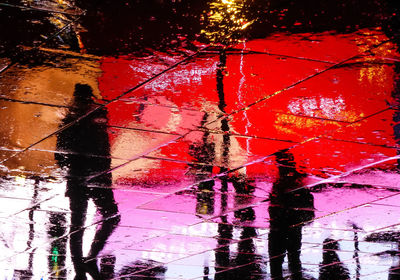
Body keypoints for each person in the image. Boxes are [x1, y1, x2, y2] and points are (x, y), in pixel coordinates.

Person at [55, 83, 120, 280]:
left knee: (79, 223)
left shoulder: (70, 121)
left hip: (81, 176)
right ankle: (87, 262)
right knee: (107, 217)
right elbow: (103, 150)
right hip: (94, 174)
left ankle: (82, 267)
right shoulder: (96, 118)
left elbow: (59, 156)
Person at [268, 149, 315, 280]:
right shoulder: (295, 181)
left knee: (278, 261)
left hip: (281, 226)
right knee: (292, 259)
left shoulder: (286, 182)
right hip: (290, 227)